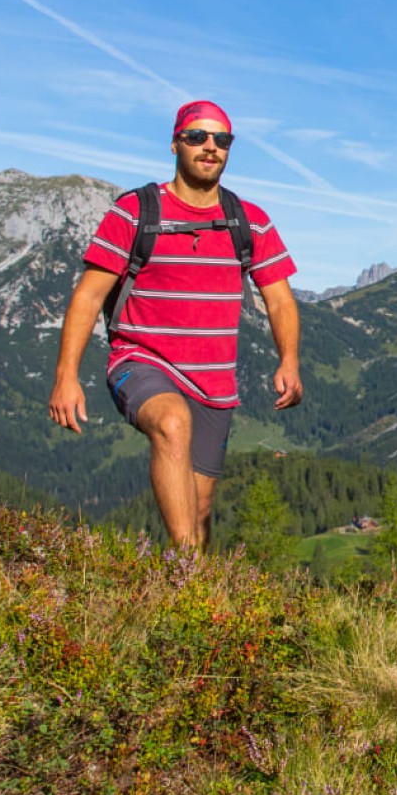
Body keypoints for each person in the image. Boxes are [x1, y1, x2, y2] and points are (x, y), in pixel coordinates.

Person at [49, 100, 302, 550]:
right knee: (171, 423)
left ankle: (182, 589)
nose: (210, 147)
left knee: (200, 510)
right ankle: (189, 584)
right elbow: (88, 295)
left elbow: (279, 299)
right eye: (196, 137)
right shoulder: (134, 211)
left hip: (215, 383)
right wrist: (66, 377)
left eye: (221, 140)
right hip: (140, 360)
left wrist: (289, 360)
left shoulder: (252, 222)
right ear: (175, 143)